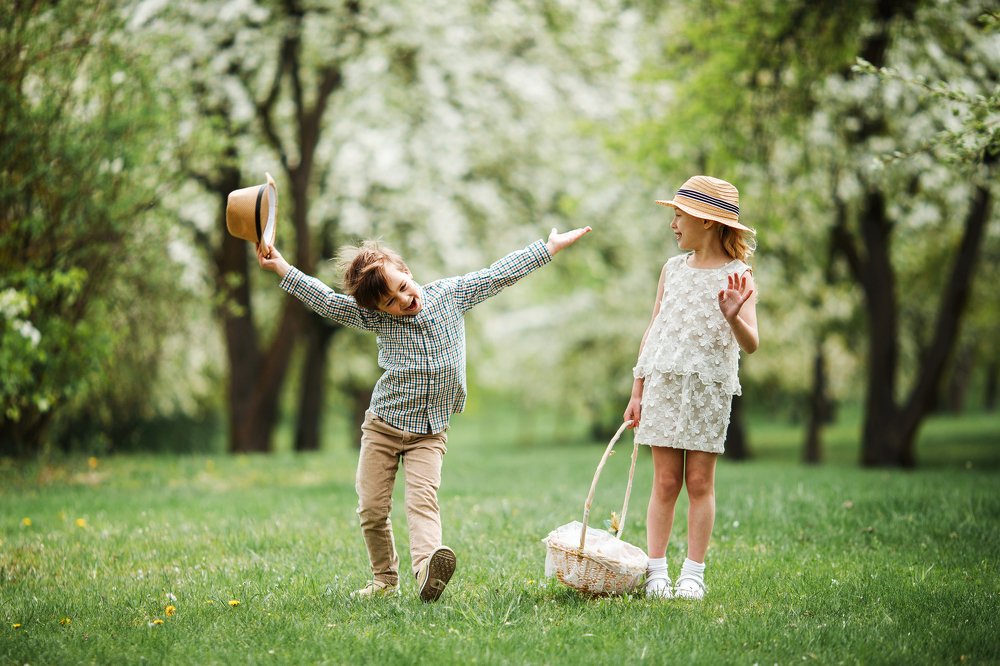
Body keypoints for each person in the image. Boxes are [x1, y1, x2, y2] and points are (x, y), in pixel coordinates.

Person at [257, 226, 591, 602]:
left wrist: (546, 249)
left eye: (402, 286)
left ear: (407, 271)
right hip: (383, 426)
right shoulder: (377, 320)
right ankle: (384, 580)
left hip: (429, 433)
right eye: (389, 301)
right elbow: (327, 301)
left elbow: (498, 274)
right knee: (371, 508)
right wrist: (283, 268)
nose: (403, 299)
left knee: (422, 501)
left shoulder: (451, 294)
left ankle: (427, 572)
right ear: (377, 310)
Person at [624, 175, 759, 600]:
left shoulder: (739, 275)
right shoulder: (672, 270)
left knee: (699, 482)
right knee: (665, 482)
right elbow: (654, 329)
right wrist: (637, 389)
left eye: (680, 215)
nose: (673, 223)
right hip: (663, 383)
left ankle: (693, 574)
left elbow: (752, 343)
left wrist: (734, 315)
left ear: (707, 221)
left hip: (707, 391)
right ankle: (657, 570)